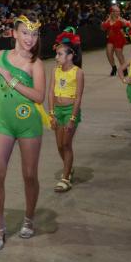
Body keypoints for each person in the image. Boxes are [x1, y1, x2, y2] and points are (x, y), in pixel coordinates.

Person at [0, 14, 50, 251]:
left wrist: (12, 80)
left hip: (29, 125)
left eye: (34, 34)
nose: (30, 38)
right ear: (14, 33)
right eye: (25, 32)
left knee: (29, 175)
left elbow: (39, 96)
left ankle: (29, 218)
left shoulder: (36, 64)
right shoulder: (0, 57)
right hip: (4, 123)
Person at [47, 28, 84, 193]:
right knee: (59, 146)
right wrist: (52, 114)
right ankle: (68, 168)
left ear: (70, 56)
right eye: (56, 54)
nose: (56, 57)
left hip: (70, 111)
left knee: (66, 144)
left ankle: (65, 178)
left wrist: (72, 118)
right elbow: (50, 93)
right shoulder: (55, 71)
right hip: (57, 111)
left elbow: (78, 98)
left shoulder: (78, 72)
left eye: (60, 54)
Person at [101, 5, 131, 77]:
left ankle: (124, 69)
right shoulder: (108, 19)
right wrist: (105, 21)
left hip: (119, 38)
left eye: (119, 11)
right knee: (108, 53)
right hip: (110, 39)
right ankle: (114, 68)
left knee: (119, 55)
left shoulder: (121, 19)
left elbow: (130, 25)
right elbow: (103, 29)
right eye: (117, 11)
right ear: (112, 12)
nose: (118, 12)